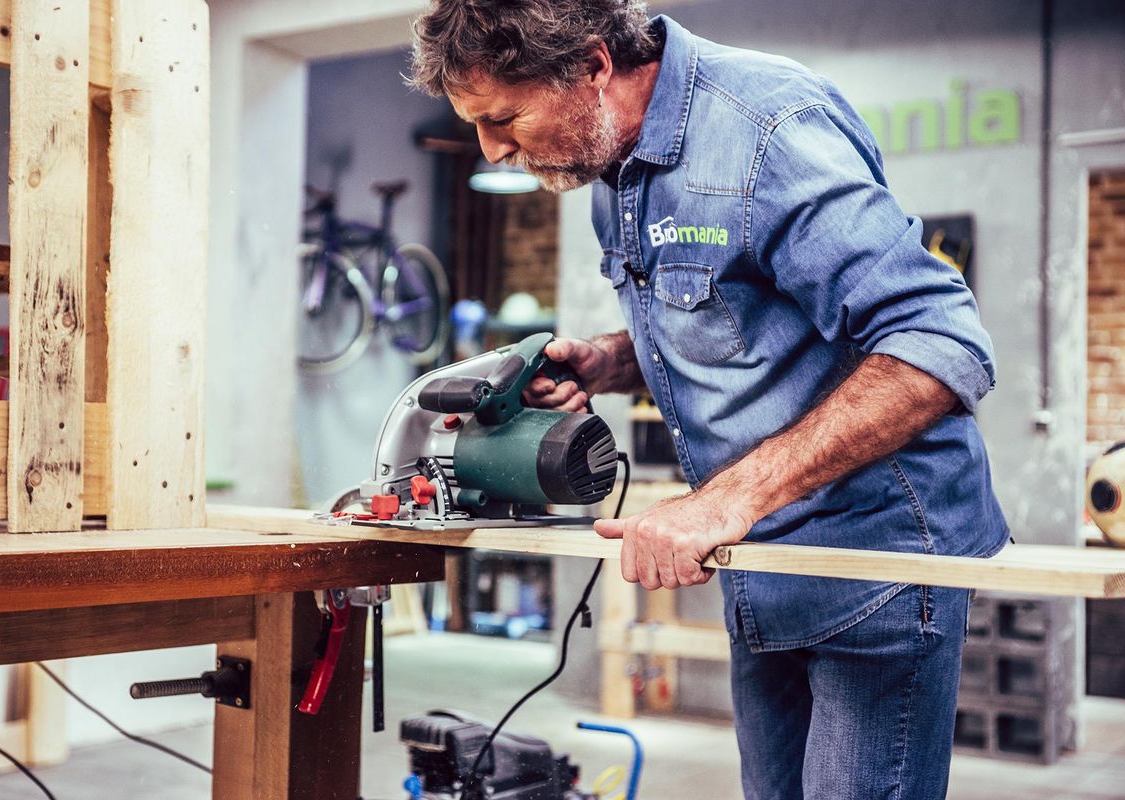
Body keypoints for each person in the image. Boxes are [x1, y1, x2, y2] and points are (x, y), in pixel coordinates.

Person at [410, 2, 1010, 797]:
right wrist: (612, 361)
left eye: (505, 116)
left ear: (592, 67)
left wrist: (726, 500)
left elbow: (939, 343)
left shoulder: (767, 130)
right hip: (760, 560)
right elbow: (739, 316)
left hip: (877, 562)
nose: (491, 147)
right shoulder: (609, 168)